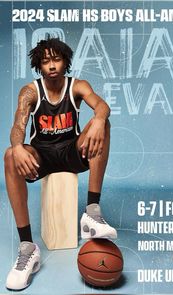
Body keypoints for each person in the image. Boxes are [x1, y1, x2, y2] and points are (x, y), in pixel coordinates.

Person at [4, 37, 117, 290]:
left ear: (65, 61)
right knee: (10, 155)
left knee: (104, 124)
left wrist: (99, 119)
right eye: (46, 61)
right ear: (39, 65)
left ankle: (92, 213)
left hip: (71, 152)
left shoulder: (77, 86)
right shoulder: (30, 91)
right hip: (41, 157)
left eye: (56, 59)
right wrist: (16, 146)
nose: (52, 65)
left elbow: (101, 105)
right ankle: (27, 248)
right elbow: (17, 127)